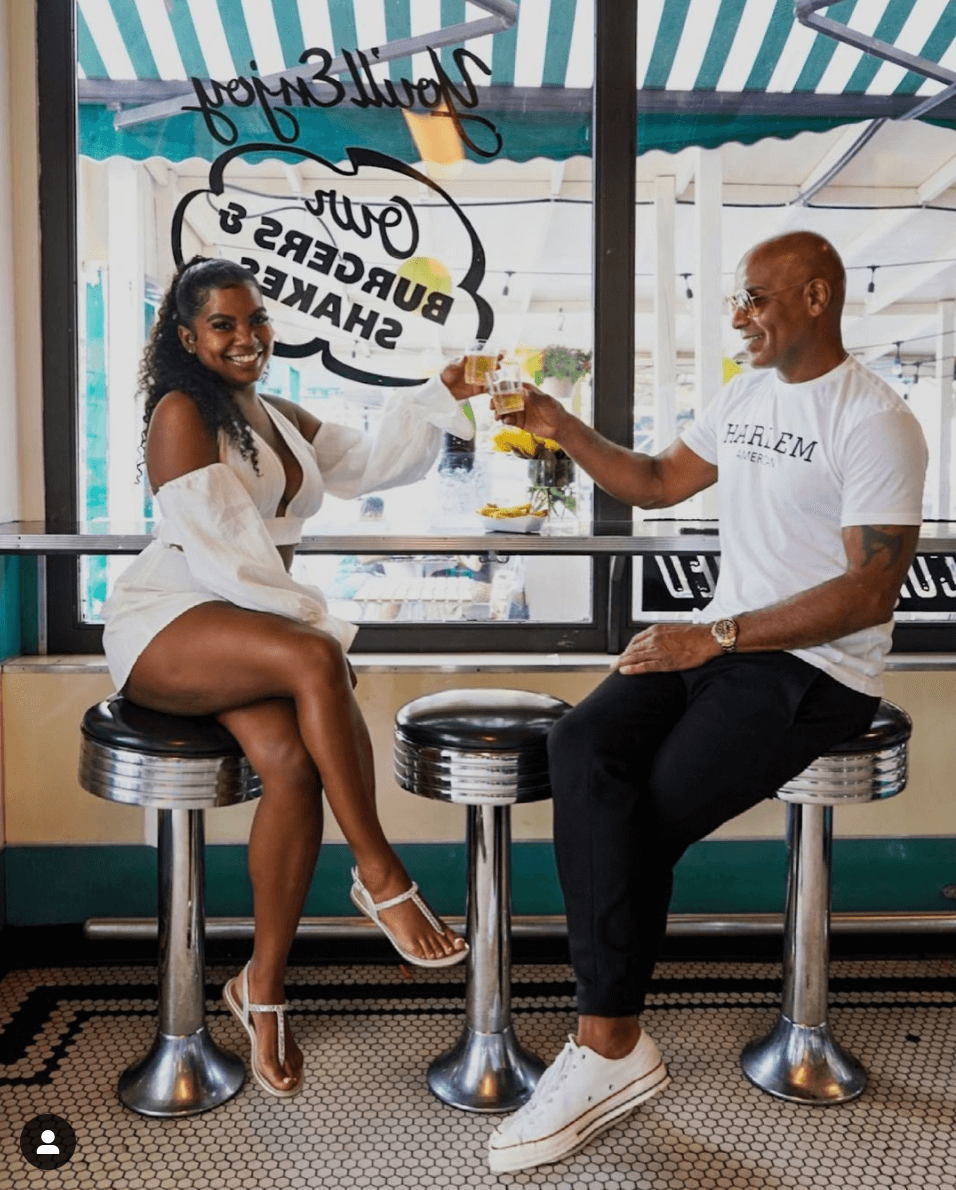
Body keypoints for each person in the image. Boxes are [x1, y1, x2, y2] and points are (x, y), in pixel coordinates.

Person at [485, 231, 928, 1173]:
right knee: (581, 748)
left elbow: (869, 592)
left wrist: (715, 635)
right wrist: (562, 426)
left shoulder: (875, 419)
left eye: (756, 298)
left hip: (819, 671)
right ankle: (613, 1046)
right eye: (738, 298)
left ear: (817, 296)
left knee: (636, 817)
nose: (739, 316)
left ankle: (607, 1044)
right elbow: (654, 482)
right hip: (721, 640)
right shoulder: (745, 395)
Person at [102, 256, 485, 1098]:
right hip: (172, 618)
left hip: (245, 621)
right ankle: (381, 875)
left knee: (292, 764)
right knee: (316, 659)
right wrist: (309, 632)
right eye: (223, 325)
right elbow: (228, 561)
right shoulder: (180, 413)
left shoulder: (273, 412)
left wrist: (442, 391)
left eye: (256, 320)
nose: (246, 338)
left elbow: (372, 463)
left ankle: (260, 985)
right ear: (186, 337)